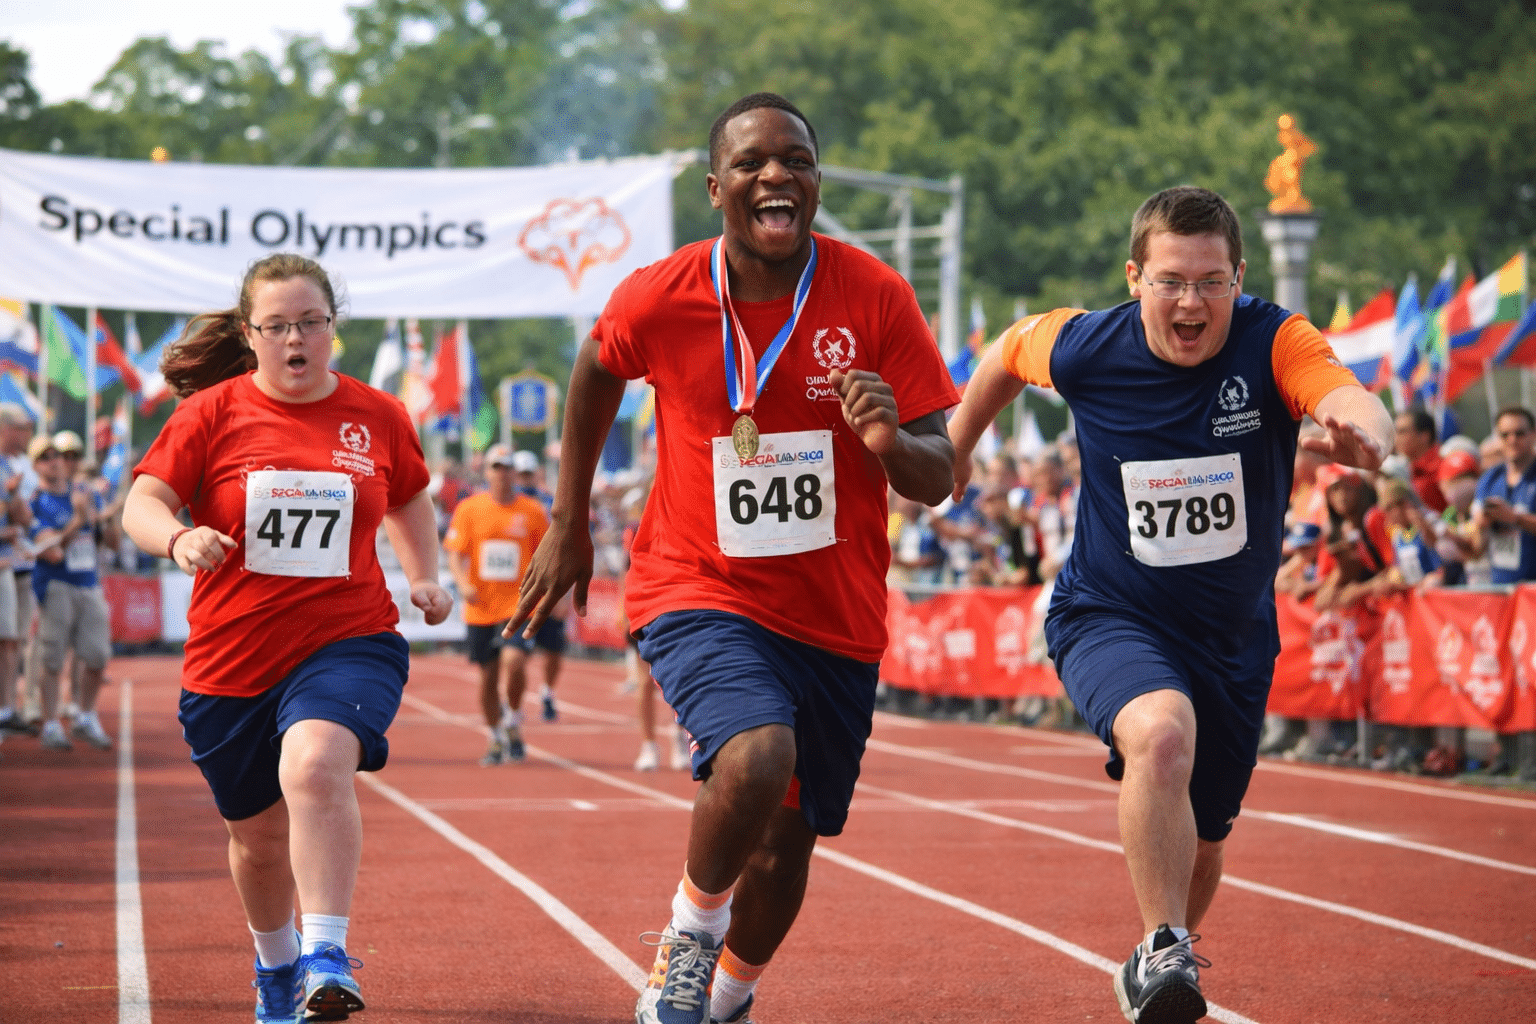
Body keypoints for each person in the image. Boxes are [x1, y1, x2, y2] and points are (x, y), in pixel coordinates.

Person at [509, 92, 957, 1024]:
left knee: (786, 843)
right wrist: (570, 517)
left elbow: (938, 472)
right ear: (717, 188)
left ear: (816, 181)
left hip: (836, 612)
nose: (775, 175)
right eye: (752, 162)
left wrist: (886, 442)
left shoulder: (873, 294)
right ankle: (686, 944)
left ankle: (729, 1000)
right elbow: (596, 369)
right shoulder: (660, 294)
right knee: (755, 758)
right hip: (695, 581)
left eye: (795, 158)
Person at [945, 185, 1392, 1024]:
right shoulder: (1085, 345)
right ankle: (1162, 946)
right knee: (1160, 734)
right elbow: (1006, 353)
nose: (1192, 302)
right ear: (1135, 279)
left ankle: (1160, 961)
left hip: (1232, 638)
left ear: (1239, 278)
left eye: (1212, 282)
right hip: (1110, 612)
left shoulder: (1273, 338)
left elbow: (1341, 391)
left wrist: (1367, 428)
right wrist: (958, 451)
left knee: (1208, 835)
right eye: (1172, 281)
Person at [121, 253, 451, 1024]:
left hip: (349, 638)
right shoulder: (211, 414)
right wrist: (176, 539)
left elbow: (408, 498)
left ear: (333, 328)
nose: (296, 339)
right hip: (231, 659)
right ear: (251, 334)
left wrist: (425, 575)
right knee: (259, 841)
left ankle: (326, 952)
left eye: (312, 322)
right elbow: (141, 502)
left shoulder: (378, 414)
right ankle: (275, 968)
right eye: (278, 327)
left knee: (316, 762)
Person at [443, 443, 549, 765]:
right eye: (496, 467)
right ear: (487, 472)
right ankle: (495, 736)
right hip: (480, 607)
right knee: (488, 677)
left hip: (518, 606)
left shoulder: (532, 511)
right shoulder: (470, 509)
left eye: (507, 467)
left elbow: (544, 556)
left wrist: (548, 595)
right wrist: (463, 584)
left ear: (515, 472)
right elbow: (454, 552)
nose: (502, 473)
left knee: (514, 663)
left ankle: (514, 716)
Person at [27, 430, 116, 751]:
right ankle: (51, 723)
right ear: (35, 466)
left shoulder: (86, 493)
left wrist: (108, 518)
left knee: (97, 655)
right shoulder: (36, 501)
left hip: (89, 583)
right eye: (46, 457)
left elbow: (113, 542)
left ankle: (85, 715)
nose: (56, 462)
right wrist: (79, 520)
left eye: (59, 456)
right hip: (56, 585)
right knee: (52, 659)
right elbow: (51, 552)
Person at [511, 449, 566, 722]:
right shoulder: (506, 503)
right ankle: (514, 704)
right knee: (514, 654)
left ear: (536, 474)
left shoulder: (551, 503)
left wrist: (563, 594)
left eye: (528, 474)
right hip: (516, 592)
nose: (524, 479)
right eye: (520, 474)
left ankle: (547, 692)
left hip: (549, 587)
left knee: (553, 650)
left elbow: (566, 546)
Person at [1470, 407, 1536, 585]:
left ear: (1533, 434)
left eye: (1519, 433)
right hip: (1502, 589)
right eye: (1504, 434)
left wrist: (1515, 518)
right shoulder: (1489, 479)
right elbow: (1477, 547)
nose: (1512, 440)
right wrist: (1481, 524)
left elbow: (1514, 517)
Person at [0, 404, 34, 738]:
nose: (27, 435)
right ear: (5, 429)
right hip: (5, 564)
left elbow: (22, 520)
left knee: (9, 641)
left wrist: (14, 496)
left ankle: (7, 709)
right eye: (22, 428)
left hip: (8, 567)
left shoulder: (9, 467)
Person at [1394, 409, 1446, 513]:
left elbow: (1452, 509)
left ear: (1424, 436)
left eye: (1402, 432)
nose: (1396, 438)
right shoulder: (1407, 470)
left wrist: (1444, 522)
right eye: (1396, 432)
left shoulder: (1443, 466)